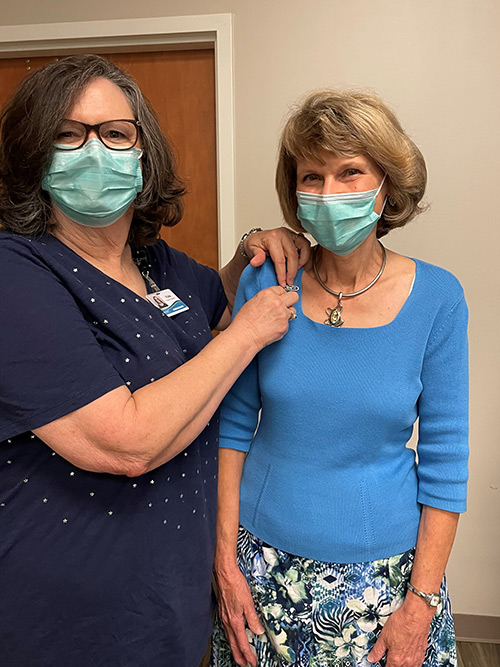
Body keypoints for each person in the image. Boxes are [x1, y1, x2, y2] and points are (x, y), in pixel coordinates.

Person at [0, 55, 310, 667]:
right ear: (36, 156)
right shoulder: (16, 273)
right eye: (69, 134)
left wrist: (255, 247)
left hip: (168, 598)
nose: (95, 151)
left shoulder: (155, 262)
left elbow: (211, 309)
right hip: (67, 618)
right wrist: (247, 334)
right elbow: (124, 442)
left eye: (116, 133)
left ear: (143, 156)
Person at [212, 90, 468, 667]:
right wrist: (224, 564)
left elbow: (447, 461)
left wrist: (421, 604)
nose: (330, 195)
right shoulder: (268, 283)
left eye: (350, 172)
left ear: (386, 187)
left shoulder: (438, 299)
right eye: (313, 177)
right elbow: (230, 430)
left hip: (388, 581)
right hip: (261, 568)